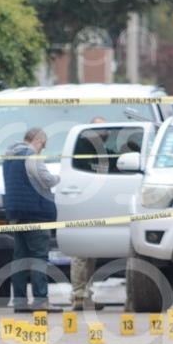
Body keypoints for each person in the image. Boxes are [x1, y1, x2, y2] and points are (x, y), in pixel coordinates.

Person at [4, 127, 60, 312]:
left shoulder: (9, 156)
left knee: (20, 257)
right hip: (35, 213)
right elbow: (47, 179)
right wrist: (59, 177)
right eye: (43, 145)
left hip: (16, 214)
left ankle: (19, 301)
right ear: (38, 141)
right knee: (38, 257)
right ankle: (40, 300)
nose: (42, 149)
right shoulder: (31, 156)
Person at [69, 117, 107, 311]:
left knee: (91, 253)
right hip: (82, 205)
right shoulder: (82, 148)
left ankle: (86, 294)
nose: (103, 134)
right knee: (82, 252)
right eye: (99, 130)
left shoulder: (101, 151)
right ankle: (78, 295)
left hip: (96, 206)